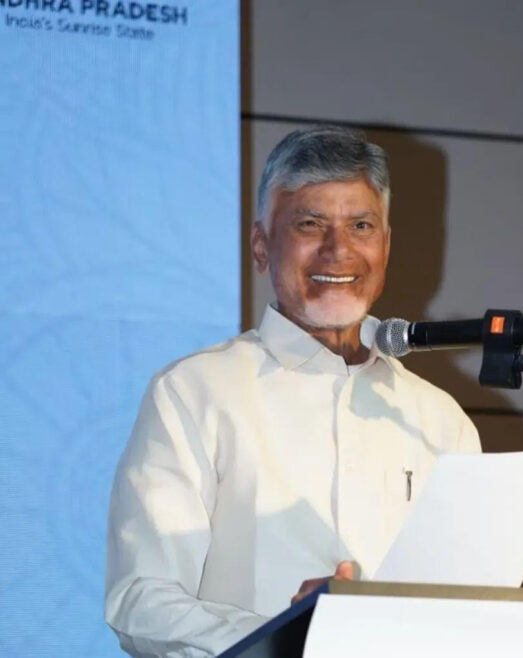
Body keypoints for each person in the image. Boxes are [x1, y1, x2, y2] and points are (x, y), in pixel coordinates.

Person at [105, 125, 481, 657]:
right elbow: (141, 601)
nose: (338, 250)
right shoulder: (193, 392)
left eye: (360, 225)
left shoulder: (441, 420)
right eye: (310, 224)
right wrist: (288, 637)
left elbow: (471, 608)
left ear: (386, 246)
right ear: (261, 246)